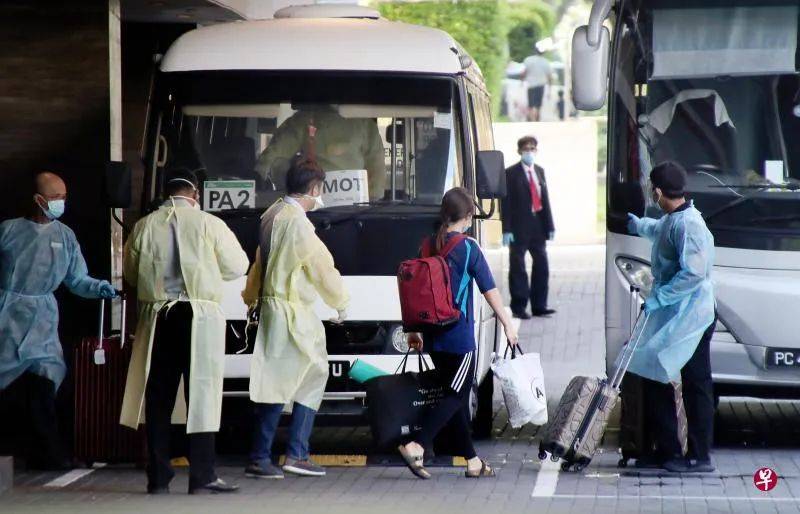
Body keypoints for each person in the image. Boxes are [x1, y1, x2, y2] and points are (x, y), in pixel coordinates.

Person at [120, 168, 249, 494]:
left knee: (159, 398)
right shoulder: (209, 223)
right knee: (202, 394)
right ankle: (202, 475)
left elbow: (131, 275)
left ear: (167, 193)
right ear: (195, 194)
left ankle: (158, 476)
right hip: (200, 317)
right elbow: (237, 266)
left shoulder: (144, 225)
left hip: (158, 317)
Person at [397, 187, 518, 480]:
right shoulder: (468, 248)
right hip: (459, 337)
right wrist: (507, 324)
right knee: (456, 394)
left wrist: (413, 330)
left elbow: (412, 292)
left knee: (455, 397)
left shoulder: (427, 245)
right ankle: (417, 444)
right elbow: (490, 291)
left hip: (432, 336)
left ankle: (473, 461)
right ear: (466, 217)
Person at [0, 171, 116, 469]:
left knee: (46, 383)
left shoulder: (64, 236)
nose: (61, 203)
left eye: (64, 197)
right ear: (38, 200)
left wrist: (97, 287)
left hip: (43, 321)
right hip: (7, 316)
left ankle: (49, 455)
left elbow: (77, 278)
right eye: (55, 198)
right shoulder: (8, 232)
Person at [242, 156, 349, 479]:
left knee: (282, 378)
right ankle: (289, 454)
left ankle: (270, 454)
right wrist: (341, 303)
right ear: (314, 188)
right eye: (321, 190)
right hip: (293, 311)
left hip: (272, 307)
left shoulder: (272, 213)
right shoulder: (299, 223)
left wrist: (251, 298)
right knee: (308, 376)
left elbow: (258, 263)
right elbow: (320, 265)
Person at [626, 161, 716, 473]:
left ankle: (698, 454)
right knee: (654, 372)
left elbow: (693, 273)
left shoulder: (689, 224)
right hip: (677, 313)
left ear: (659, 191)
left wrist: (659, 298)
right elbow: (660, 230)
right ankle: (667, 450)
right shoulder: (674, 218)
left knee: (695, 382)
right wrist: (638, 225)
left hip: (693, 316)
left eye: (653, 190)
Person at [254, 105, 386, 200]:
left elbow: (271, 161)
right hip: (354, 211)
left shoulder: (301, 120)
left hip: (309, 207)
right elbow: (377, 177)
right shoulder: (365, 124)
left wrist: (288, 189)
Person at [500, 136, 556, 319]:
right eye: (526, 149)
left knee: (541, 264)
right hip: (518, 227)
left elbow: (545, 199)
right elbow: (505, 204)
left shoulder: (539, 171)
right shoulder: (510, 173)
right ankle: (519, 306)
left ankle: (539, 305)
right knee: (518, 267)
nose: (529, 152)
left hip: (537, 225)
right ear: (519, 151)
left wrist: (550, 226)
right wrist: (506, 229)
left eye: (532, 149)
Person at [522, 50, 552, 122]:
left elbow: (524, 72)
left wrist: (522, 81)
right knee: (538, 104)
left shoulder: (528, 60)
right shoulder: (545, 62)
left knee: (531, 104)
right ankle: (537, 118)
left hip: (531, 85)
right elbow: (549, 76)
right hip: (540, 85)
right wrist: (550, 88)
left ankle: (531, 118)